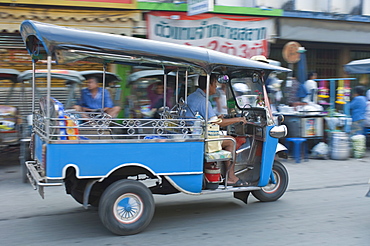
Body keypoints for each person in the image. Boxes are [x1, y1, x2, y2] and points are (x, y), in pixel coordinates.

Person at [186, 74, 249, 187]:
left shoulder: (192, 96)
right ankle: (231, 177)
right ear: (208, 84)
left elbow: (209, 119)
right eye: (215, 84)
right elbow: (215, 123)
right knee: (231, 141)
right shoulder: (204, 101)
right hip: (199, 136)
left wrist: (218, 118)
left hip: (191, 132)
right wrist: (238, 119)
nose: (216, 87)